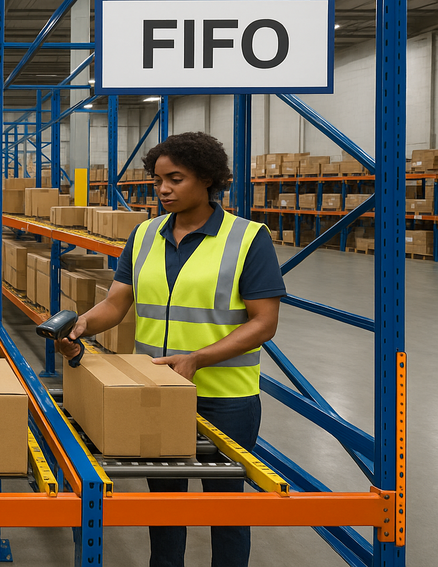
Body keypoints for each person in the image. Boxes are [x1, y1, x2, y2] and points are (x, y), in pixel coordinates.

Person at [57, 132, 286, 567]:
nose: (163, 189)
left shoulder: (247, 238)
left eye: (175, 179)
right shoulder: (145, 235)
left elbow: (264, 322)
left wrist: (198, 359)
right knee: (164, 506)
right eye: (158, 179)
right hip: (157, 390)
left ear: (207, 179)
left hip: (224, 396)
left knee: (226, 509)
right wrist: (83, 324)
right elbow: (116, 302)